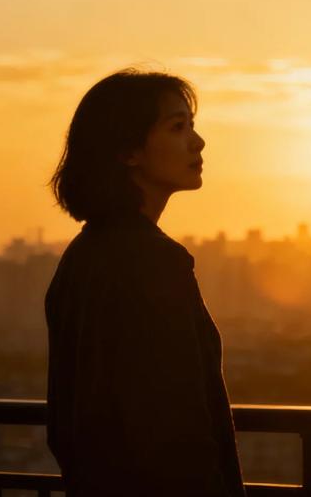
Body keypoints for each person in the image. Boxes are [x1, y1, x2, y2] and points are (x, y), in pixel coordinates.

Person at [44, 68, 245, 496]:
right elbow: (175, 428)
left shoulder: (81, 258)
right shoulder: (153, 261)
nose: (197, 141)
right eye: (177, 127)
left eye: (191, 125)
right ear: (129, 151)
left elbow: (65, 417)